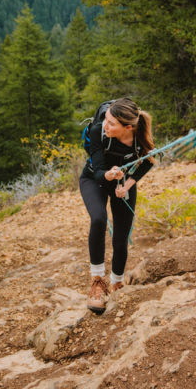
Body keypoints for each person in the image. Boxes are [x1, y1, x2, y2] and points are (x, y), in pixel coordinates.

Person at [79, 96, 155, 313]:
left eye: (111, 123)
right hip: (95, 179)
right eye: (106, 119)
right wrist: (111, 176)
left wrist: (128, 184)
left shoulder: (140, 136)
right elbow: (100, 172)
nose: (105, 125)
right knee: (99, 219)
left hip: (122, 183)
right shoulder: (97, 131)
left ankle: (117, 281)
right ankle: (97, 283)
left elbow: (149, 161)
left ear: (128, 127)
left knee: (121, 237)